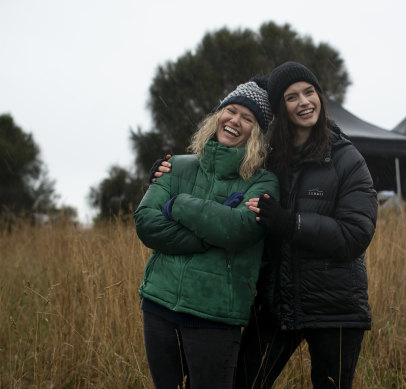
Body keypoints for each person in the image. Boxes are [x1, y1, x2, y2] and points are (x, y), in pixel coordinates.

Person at [235, 61, 378, 389]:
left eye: (309, 92)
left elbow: (354, 235)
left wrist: (290, 223)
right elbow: (221, 172)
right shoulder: (268, 161)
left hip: (334, 307)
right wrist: (169, 172)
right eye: (291, 97)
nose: (304, 102)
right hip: (278, 304)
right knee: (241, 382)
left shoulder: (346, 159)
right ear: (280, 108)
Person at [134, 76, 279, 389]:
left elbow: (238, 231)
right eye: (231, 111)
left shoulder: (263, 183)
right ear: (218, 116)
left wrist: (179, 205)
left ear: (256, 132)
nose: (235, 121)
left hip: (216, 317)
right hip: (158, 305)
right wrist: (208, 235)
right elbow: (145, 222)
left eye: (248, 118)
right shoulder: (177, 166)